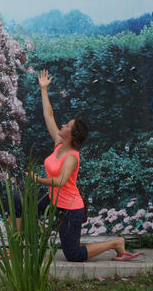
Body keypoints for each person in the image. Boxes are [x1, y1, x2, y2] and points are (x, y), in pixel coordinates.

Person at [14, 70, 140, 262]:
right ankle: (16, 247)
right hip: (51, 200)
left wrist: (36, 179)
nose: (62, 125)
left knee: (73, 254)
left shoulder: (72, 157)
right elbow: (49, 114)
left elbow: (60, 181)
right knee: (18, 202)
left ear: (71, 135)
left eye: (67, 126)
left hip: (69, 208)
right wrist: (43, 89)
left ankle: (116, 243)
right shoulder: (58, 142)